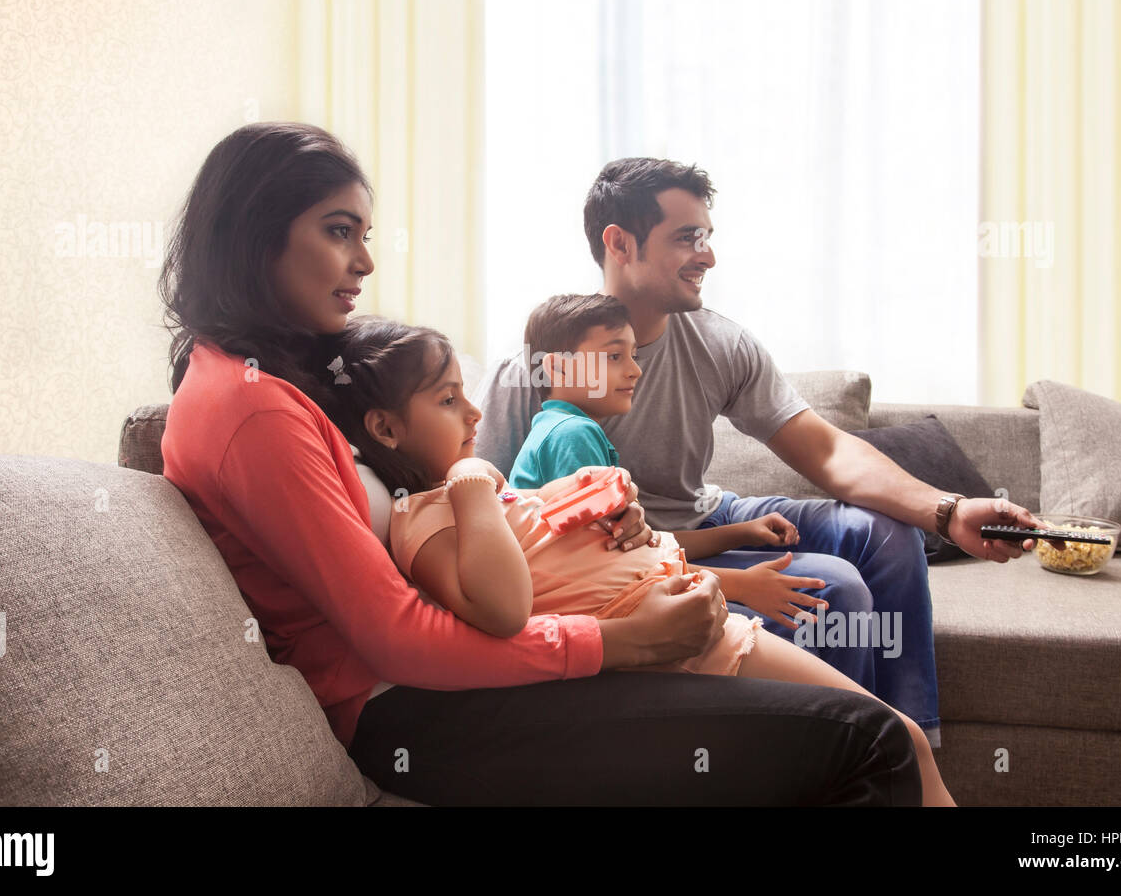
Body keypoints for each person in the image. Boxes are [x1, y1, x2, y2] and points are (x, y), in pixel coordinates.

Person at [156, 121, 924, 805]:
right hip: (417, 711)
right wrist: (620, 643)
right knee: (872, 741)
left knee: (856, 655)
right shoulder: (250, 408)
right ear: (256, 237)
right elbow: (394, 634)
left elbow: (461, 507)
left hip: (453, 678)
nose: (363, 260)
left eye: (363, 233)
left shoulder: (279, 378)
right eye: (337, 231)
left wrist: (592, 521)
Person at [475, 157, 1056, 751]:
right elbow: (479, 510)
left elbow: (827, 451)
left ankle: (908, 755)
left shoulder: (719, 342)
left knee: (889, 534)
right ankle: (849, 762)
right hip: (628, 562)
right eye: (686, 238)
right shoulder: (538, 370)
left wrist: (948, 511)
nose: (707, 256)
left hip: (702, 517)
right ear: (620, 243)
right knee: (835, 591)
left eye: (707, 237)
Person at [308, 315, 955, 805]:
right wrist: (476, 479)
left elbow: (561, 550)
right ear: (386, 429)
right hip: (674, 647)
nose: (475, 410)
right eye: (449, 401)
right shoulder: (427, 514)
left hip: (693, 619)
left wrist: (614, 518)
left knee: (894, 740)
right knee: (890, 740)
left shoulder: (482, 496)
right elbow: (503, 608)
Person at [508, 292, 823, 630]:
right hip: (592, 614)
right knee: (821, 601)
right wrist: (741, 584)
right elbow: (615, 569)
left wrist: (740, 533)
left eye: (633, 355)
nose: (635, 371)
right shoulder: (572, 435)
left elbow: (633, 544)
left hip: (598, 598)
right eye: (615, 356)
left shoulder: (562, 428)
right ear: (557, 367)